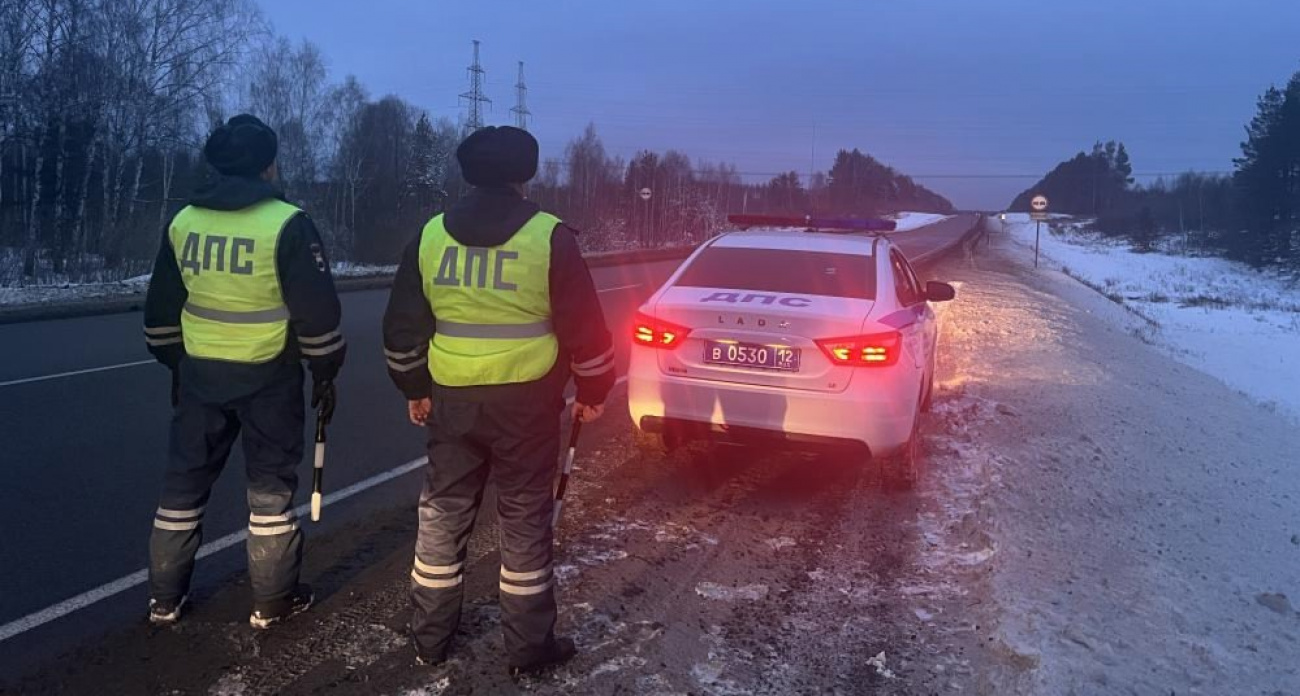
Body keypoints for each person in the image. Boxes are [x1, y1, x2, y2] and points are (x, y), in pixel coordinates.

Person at [382, 125, 615, 675]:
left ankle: (430, 638)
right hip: (527, 404)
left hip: (452, 401)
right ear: (525, 174)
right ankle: (528, 649)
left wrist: (414, 388)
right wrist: (594, 391)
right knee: (525, 520)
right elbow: (586, 328)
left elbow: (402, 327)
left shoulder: (431, 235)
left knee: (442, 514)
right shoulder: (549, 237)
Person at [142, 114, 346, 629]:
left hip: (200, 375)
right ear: (269, 167)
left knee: (182, 486)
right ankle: (271, 603)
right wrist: (325, 371)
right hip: (268, 376)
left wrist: (177, 365)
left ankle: (164, 601)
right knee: (271, 490)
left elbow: (162, 309)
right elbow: (317, 313)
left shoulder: (184, 220)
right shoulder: (286, 223)